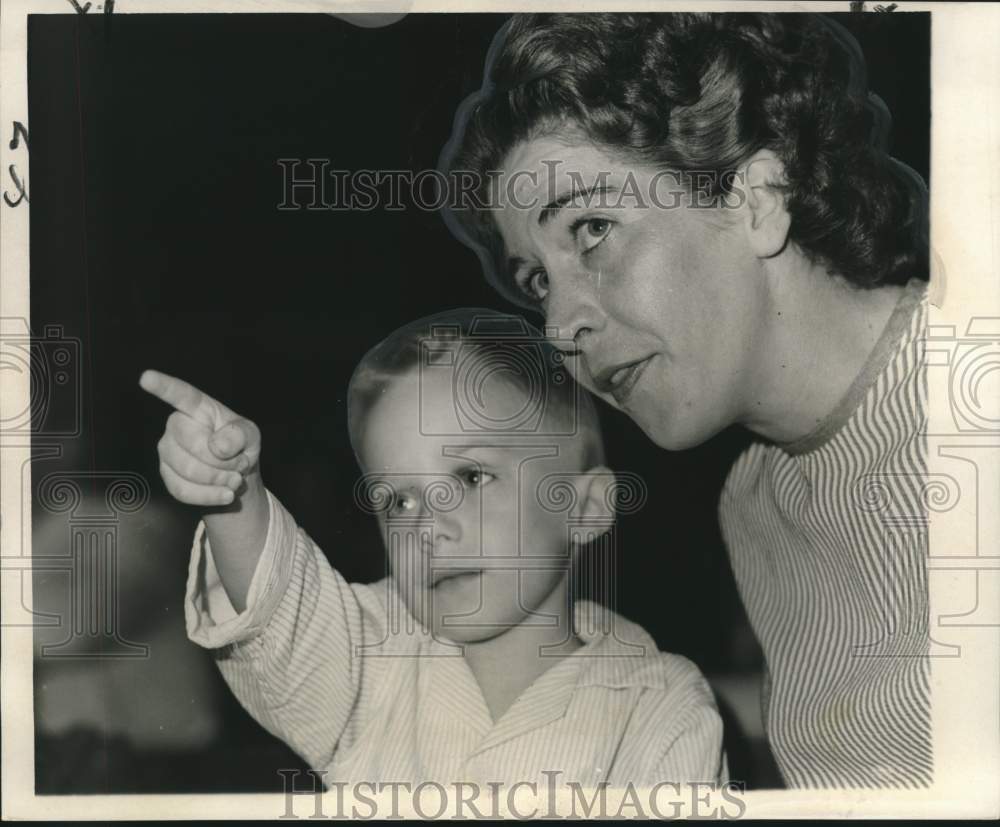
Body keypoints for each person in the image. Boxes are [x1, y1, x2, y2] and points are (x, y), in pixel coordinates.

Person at [441, 13, 932, 788]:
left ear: (755, 199)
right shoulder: (756, 498)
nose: (560, 327)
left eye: (592, 228)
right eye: (537, 279)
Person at [139, 308, 726, 789]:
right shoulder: (371, 660)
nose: (427, 528)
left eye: (470, 478)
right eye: (397, 501)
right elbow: (284, 607)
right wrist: (233, 491)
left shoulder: (658, 707)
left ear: (584, 505)